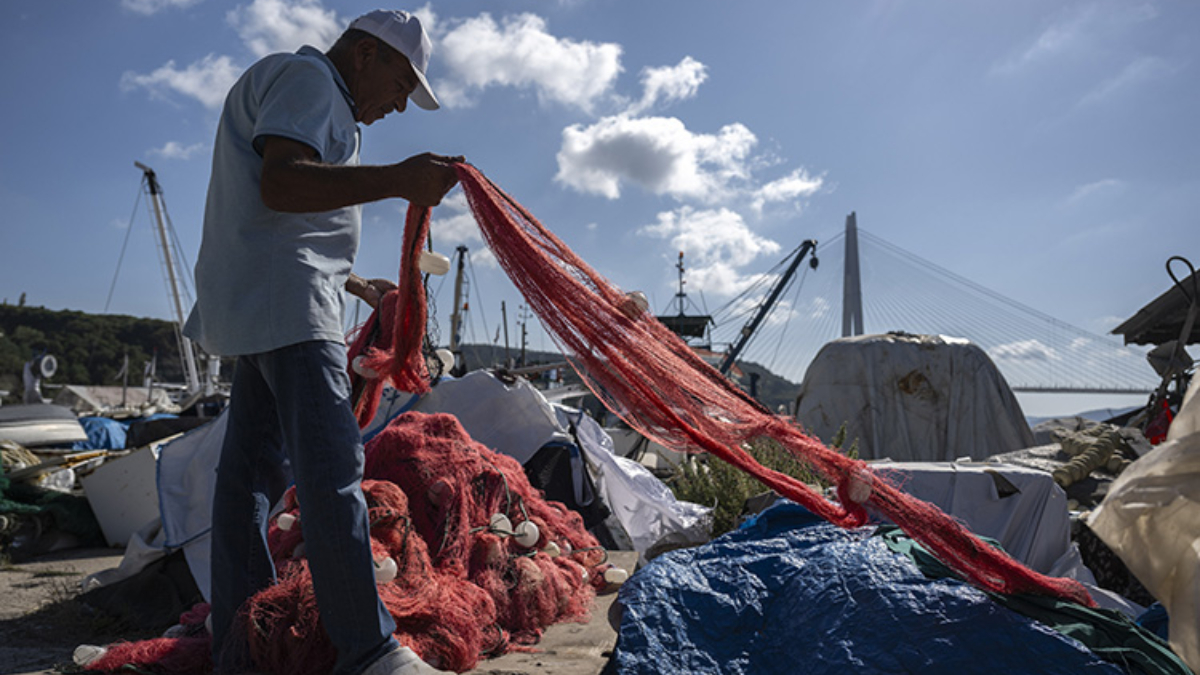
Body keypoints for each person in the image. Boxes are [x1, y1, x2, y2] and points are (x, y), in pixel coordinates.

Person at [183, 10, 459, 675]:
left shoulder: (302, 85)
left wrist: (357, 283)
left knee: (248, 477)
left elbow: (282, 207)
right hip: (288, 302)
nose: (398, 105)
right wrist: (399, 179)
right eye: (401, 83)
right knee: (334, 469)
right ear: (365, 56)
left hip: (262, 299)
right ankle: (369, 650)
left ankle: (241, 649)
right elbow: (282, 181)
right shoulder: (313, 82)